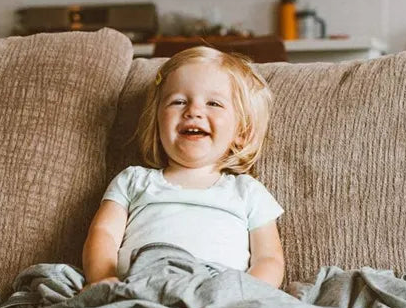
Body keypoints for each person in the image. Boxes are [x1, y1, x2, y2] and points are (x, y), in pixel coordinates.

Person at [83, 46, 285, 289]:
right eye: (178, 101)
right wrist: (105, 281)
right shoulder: (133, 181)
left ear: (240, 133)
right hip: (140, 286)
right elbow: (103, 235)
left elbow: (269, 259)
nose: (194, 111)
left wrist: (247, 296)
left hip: (218, 292)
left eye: (214, 103)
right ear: (156, 124)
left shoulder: (248, 192)